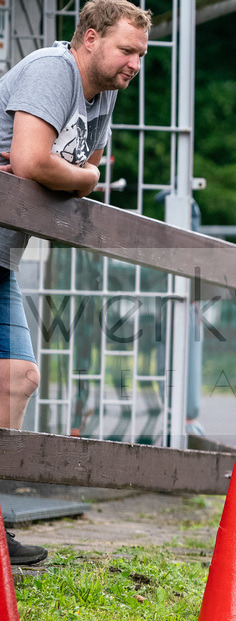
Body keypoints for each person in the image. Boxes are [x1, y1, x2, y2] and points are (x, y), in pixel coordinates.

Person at [0, 0, 151, 565]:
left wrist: (73, 173)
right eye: (126, 50)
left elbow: (77, 164)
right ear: (89, 38)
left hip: (3, 257)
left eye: (140, 53)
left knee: (16, 378)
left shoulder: (103, 94)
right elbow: (39, 161)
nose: (134, 63)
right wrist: (79, 175)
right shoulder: (50, 70)